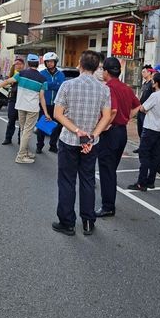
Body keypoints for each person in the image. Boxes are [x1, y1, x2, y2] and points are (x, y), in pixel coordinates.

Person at [52, 50, 112, 236]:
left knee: (67, 182)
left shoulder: (68, 85)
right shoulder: (104, 88)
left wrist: (78, 131)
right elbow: (107, 117)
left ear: (80, 63)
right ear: (96, 68)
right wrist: (91, 136)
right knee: (87, 181)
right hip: (91, 144)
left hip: (69, 140)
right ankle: (88, 223)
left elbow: (58, 114)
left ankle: (67, 223)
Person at [96, 58, 142, 217]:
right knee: (111, 169)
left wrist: (103, 126)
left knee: (107, 170)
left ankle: (108, 206)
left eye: (103, 69)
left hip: (110, 132)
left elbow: (113, 111)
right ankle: (109, 201)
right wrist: (127, 117)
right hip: (121, 132)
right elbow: (138, 105)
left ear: (106, 72)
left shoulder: (109, 87)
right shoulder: (126, 88)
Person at [0, 53, 49, 164]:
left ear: (28, 63)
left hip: (20, 106)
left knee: (24, 130)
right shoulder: (43, 79)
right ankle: (21, 156)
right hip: (32, 109)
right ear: (38, 64)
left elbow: (7, 81)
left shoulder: (21, 74)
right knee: (27, 132)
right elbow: (42, 97)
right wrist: (46, 113)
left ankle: (26, 151)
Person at [128, 72, 160, 192]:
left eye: (153, 81)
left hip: (150, 128)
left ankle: (141, 183)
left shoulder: (155, 95)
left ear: (156, 83)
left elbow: (142, 108)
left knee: (144, 155)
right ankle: (150, 181)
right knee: (155, 156)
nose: (152, 82)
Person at [37, 52, 65, 153]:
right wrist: (54, 84)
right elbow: (42, 85)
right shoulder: (42, 74)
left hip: (57, 105)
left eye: (51, 61)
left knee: (57, 127)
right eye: (47, 62)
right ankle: (39, 146)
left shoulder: (61, 74)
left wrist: (48, 85)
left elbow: (61, 86)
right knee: (42, 127)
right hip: (44, 104)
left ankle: (53, 145)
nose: (49, 63)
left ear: (55, 62)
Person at [1, 58, 24, 145]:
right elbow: (7, 82)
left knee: (22, 121)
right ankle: (8, 138)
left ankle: (20, 140)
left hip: (22, 99)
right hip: (13, 98)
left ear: (23, 65)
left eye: (18, 64)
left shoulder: (24, 74)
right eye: (15, 64)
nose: (17, 65)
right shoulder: (12, 73)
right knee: (11, 119)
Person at [134, 64, 154, 153]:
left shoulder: (152, 84)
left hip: (147, 111)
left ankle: (145, 148)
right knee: (140, 129)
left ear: (149, 72)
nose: (142, 73)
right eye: (142, 72)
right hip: (140, 109)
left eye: (144, 72)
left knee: (145, 130)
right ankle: (141, 146)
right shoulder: (144, 84)